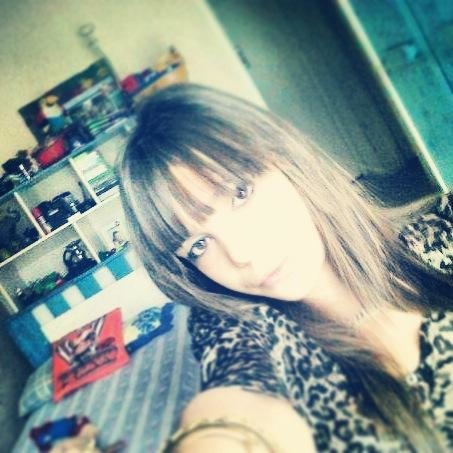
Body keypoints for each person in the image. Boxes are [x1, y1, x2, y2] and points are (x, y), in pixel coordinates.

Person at [118, 83, 453, 452]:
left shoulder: (441, 232)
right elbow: (235, 403)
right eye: (198, 245)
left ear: (286, 160)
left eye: (240, 193)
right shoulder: (244, 330)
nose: (241, 254)